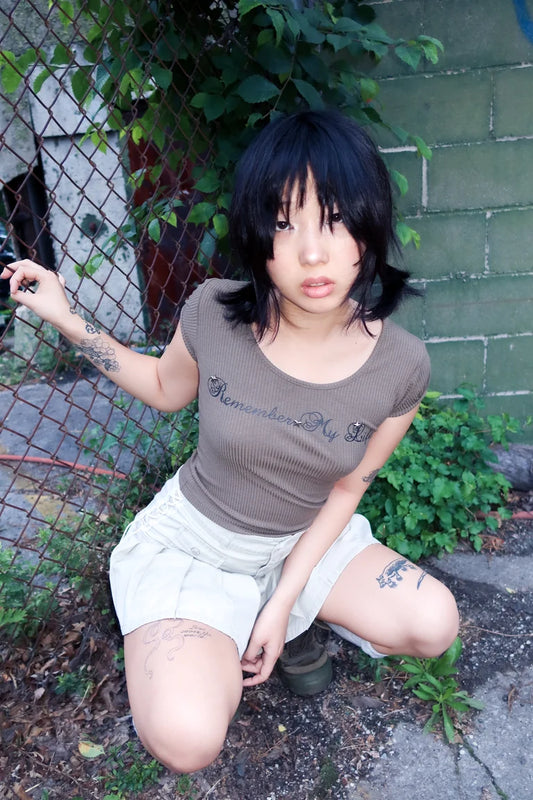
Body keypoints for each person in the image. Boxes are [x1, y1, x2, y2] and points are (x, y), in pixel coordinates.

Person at [2, 109, 459, 774]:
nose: (312, 253)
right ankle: (218, 631)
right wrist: (68, 321)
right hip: (196, 543)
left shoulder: (402, 365)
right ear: (256, 233)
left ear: (369, 225)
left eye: (334, 220)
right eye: (285, 223)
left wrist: (283, 598)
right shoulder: (215, 313)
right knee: (186, 738)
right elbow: (164, 386)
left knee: (433, 622)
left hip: (305, 540)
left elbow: (346, 487)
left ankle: (284, 620)